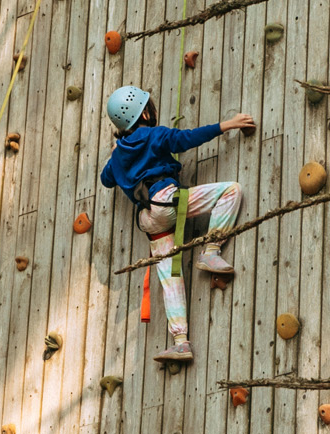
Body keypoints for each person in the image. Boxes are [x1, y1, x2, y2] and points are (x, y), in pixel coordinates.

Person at [99, 85, 255, 364]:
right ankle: (211, 251)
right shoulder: (154, 135)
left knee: (170, 279)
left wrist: (115, 154)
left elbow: (107, 179)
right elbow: (187, 138)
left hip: (148, 220)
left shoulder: (119, 154)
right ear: (145, 113)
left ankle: (180, 342)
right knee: (231, 191)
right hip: (166, 200)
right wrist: (227, 124)